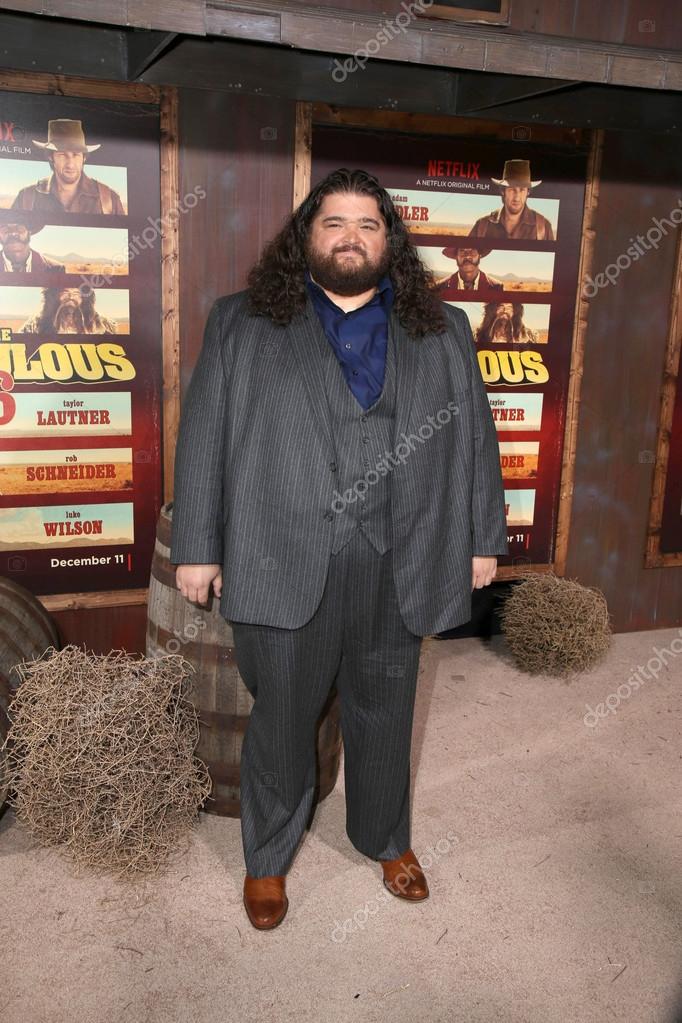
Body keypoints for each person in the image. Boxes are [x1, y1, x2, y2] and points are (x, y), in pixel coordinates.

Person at [170, 168, 508, 931]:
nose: (351, 237)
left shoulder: (443, 328)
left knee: (385, 708)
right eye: (334, 222)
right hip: (279, 553)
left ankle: (386, 839)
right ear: (306, 236)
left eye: (368, 224)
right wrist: (198, 544)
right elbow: (203, 440)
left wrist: (483, 536)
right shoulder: (242, 321)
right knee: (282, 716)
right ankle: (267, 858)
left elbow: (475, 441)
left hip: (403, 553)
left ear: (390, 240)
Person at [12, 119, 125, 215]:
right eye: (62, 155)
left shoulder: (109, 199)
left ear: (84, 158)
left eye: (76, 155)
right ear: (51, 157)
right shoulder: (26, 198)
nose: (70, 164)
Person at [469, 159, 554, 241]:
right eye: (512, 189)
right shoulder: (482, 226)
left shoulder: (543, 226)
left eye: (522, 190)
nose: (517, 197)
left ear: (528, 192)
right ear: (503, 191)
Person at [21, 285, 116, 334]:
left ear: (84, 297)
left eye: (76, 293)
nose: (70, 297)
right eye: (65, 292)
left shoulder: (102, 323)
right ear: (56, 295)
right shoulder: (36, 323)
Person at [0, 211, 65, 273]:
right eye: (4, 228)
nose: (13, 233)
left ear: (29, 231)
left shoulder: (56, 269)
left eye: (20, 227)